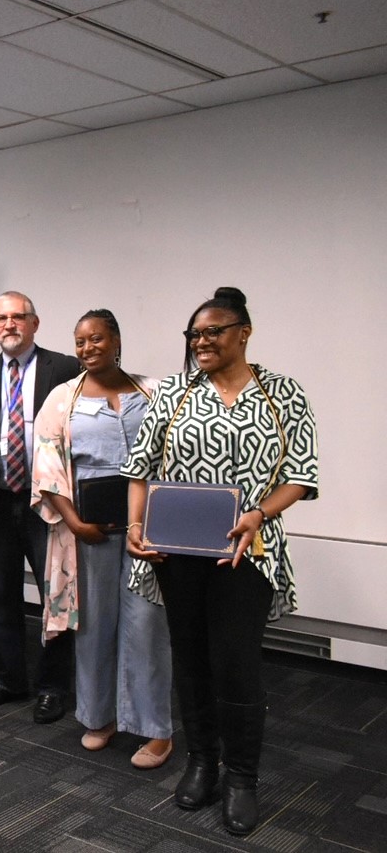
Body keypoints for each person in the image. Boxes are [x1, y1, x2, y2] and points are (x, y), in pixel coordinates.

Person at [123, 287, 318, 835]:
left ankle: (241, 779)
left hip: (245, 553)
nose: (201, 341)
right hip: (176, 552)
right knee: (190, 661)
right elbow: (140, 467)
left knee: (236, 665)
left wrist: (258, 513)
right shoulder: (176, 393)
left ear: (244, 332)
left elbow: (301, 474)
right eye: (194, 334)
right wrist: (136, 527)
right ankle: (202, 762)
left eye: (213, 331)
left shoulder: (282, 393)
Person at [30, 310, 172, 768]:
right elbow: (47, 469)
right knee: (93, 626)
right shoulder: (60, 399)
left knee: (147, 627)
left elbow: (173, 457)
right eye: (79, 341)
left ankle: (155, 730)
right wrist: (74, 523)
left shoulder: (154, 391)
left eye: (96, 339)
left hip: (147, 529)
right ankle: (99, 717)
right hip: (87, 533)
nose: (87, 348)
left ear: (117, 341)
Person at [0, 291, 81, 723]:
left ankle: (53, 687)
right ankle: (9, 680)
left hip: (47, 506)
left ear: (35, 323)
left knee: (54, 600)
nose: (9, 325)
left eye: (17, 317)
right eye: (1, 318)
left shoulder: (65, 369)